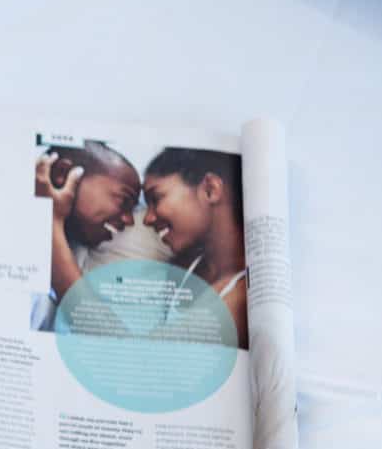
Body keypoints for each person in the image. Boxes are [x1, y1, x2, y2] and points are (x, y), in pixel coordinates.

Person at [143, 148, 250, 348]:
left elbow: (148, 357)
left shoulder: (242, 299)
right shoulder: (185, 264)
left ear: (210, 190)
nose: (147, 219)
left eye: (156, 199)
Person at [35, 142, 142, 302]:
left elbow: (88, 317)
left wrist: (52, 220)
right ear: (62, 173)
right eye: (124, 200)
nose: (129, 221)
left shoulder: (74, 254)